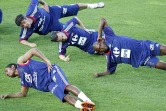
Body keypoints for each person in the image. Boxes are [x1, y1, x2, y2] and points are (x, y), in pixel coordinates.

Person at [1, 48, 95, 111]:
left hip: (51, 71)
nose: (7, 74)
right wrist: (8, 95)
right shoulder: (23, 81)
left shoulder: (20, 62)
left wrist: (46, 60)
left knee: (66, 86)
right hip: (49, 85)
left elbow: (33, 50)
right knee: (65, 97)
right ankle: (88, 108)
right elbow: (22, 94)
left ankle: (88, 100)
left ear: (13, 67)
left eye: (6, 71)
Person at [93, 18, 166, 78]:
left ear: (101, 41)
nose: (101, 48)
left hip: (144, 46)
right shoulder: (110, 58)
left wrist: (99, 35)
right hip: (143, 60)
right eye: (99, 49)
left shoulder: (109, 37)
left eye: (100, 45)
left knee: (164, 49)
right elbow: (109, 71)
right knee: (164, 66)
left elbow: (103, 20)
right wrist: (99, 74)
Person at [16, 0, 105, 47]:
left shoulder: (31, 10)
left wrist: (45, 5)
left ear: (26, 17)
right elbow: (21, 40)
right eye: (22, 25)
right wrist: (30, 44)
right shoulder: (26, 29)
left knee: (71, 8)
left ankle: (92, 5)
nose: (25, 25)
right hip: (52, 27)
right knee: (69, 30)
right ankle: (88, 32)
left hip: (52, 11)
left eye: (24, 23)